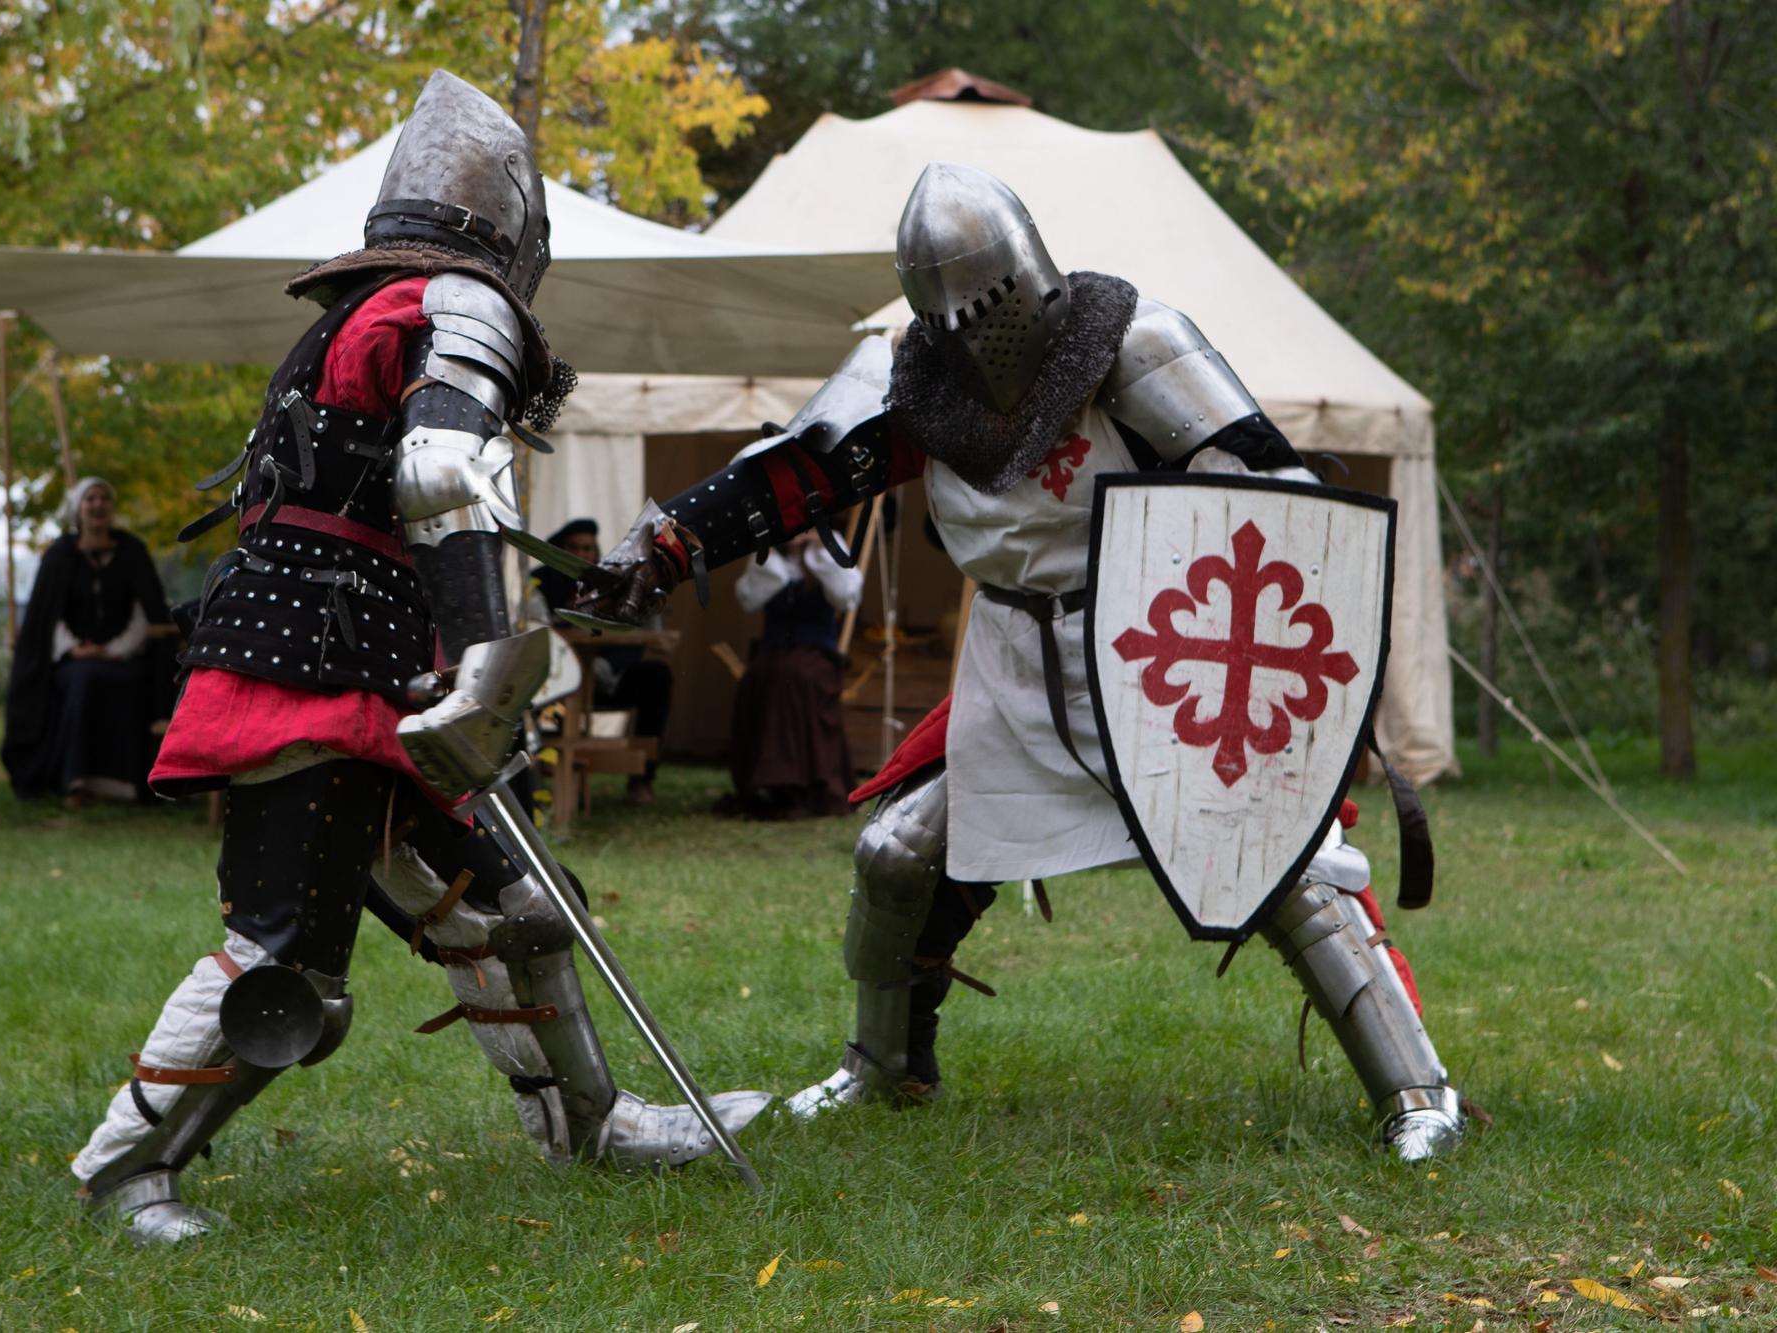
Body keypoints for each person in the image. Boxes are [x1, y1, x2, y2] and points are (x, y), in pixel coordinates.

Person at [576, 163, 1468, 1161]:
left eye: (986, 308)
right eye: (948, 319)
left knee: (1288, 868)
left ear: (1031, 277)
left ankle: (1415, 1090)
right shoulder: (910, 381)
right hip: (1012, 667)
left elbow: (1280, 500)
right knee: (896, 852)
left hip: (1161, 658)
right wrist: (665, 546)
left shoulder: (1138, 348)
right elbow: (799, 474)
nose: (972, 336)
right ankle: (882, 1067)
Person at [71, 71, 769, 1245]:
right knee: (287, 961)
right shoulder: (456, 305)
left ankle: (589, 1125)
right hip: (314, 671)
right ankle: (125, 1172)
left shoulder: (349, 317)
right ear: (511, 226)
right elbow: (442, 475)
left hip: (360, 668)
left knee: (522, 911)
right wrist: (489, 663)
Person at [1, 477, 174, 805]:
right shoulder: (60, 556)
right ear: (78, 510)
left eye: (104, 499)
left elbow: (146, 613)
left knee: (130, 684)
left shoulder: (131, 552)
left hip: (124, 658)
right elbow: (47, 617)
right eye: (90, 499)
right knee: (82, 680)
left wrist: (112, 650)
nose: (98, 505)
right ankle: (76, 781)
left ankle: (124, 785)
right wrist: (75, 649)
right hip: (72, 661)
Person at [528, 516, 674, 804]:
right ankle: (534, 776)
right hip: (555, 681)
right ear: (560, 550)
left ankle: (642, 778)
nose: (581, 555)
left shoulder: (612, 582)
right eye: (573, 548)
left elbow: (632, 632)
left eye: (587, 548)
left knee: (657, 676)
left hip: (605, 678)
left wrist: (605, 666)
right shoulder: (541, 583)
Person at [724, 530, 861, 818]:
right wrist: (774, 557)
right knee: (757, 679)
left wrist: (820, 550)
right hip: (773, 652)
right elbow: (748, 599)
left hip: (818, 653)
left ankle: (797, 783)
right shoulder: (767, 548)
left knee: (795, 676)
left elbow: (847, 596)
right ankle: (763, 783)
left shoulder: (828, 544)